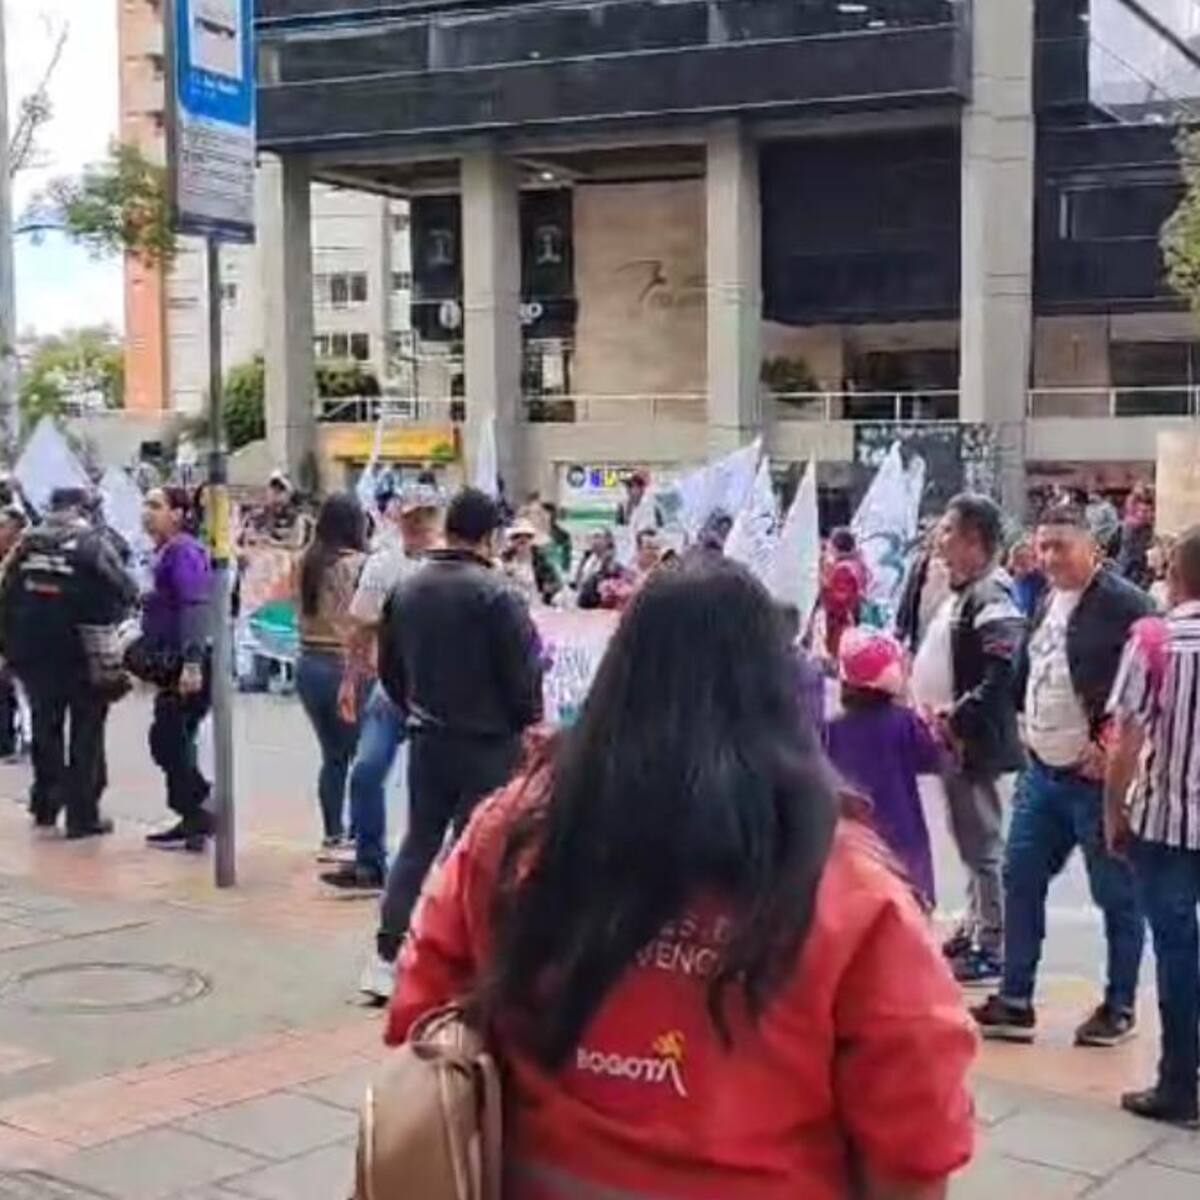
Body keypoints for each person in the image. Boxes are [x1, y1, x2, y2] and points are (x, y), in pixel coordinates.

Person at [386, 558, 977, 1197]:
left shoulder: (512, 831)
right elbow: (917, 1135)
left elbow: (418, 1017)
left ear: (618, 674)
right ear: (778, 694)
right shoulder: (849, 888)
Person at [973, 504, 1151, 1046]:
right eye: (1043, 546)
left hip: (1095, 782)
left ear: (1091, 547)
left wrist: (1113, 748)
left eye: (1061, 547)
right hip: (1042, 774)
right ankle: (1015, 998)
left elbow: (1151, 680)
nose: (1049, 557)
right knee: (1020, 876)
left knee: (1116, 894)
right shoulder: (1046, 598)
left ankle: (1119, 1005)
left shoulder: (1127, 604)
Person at [363, 488, 543, 1002]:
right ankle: (460, 957)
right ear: (490, 536)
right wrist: (528, 722)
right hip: (490, 742)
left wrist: (416, 706)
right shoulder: (499, 595)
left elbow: (390, 670)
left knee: (419, 841)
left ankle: (386, 953)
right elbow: (523, 676)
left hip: (428, 735)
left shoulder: (408, 588)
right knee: (476, 852)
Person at [1106, 526, 1200, 1127]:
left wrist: (1113, 811)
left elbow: (1125, 742)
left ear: (1177, 575)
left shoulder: (1156, 640)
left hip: (1166, 826)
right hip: (1167, 825)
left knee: (1178, 954)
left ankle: (1179, 1085)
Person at [911, 494, 1025, 985]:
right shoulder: (964, 592)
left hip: (973, 743)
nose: (940, 541)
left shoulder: (991, 595)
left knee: (983, 846)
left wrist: (957, 719)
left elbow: (1002, 673)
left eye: (948, 531)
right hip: (954, 741)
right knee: (968, 838)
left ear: (974, 540)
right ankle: (976, 925)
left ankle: (992, 945)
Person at [322, 482, 443, 895]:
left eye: (426, 517)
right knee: (366, 771)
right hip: (391, 688)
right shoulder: (382, 566)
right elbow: (360, 629)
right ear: (398, 519)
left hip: (440, 692)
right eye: (411, 517)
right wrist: (350, 680)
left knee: (430, 787)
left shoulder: (449, 566)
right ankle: (370, 862)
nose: (418, 525)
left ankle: (431, 872)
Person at [0, 488, 137, 839]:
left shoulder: (27, 544)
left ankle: (45, 803)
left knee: (45, 726)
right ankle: (82, 815)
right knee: (86, 731)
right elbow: (125, 588)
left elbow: (6, 590)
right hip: (83, 651)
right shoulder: (93, 544)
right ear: (83, 509)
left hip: (32, 650)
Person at [827, 629, 944, 909]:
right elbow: (933, 758)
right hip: (902, 836)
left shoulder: (831, 730)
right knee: (910, 905)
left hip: (854, 838)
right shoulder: (905, 722)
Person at [141, 487, 215, 852]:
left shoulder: (184, 551)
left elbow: (194, 606)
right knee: (172, 738)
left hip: (188, 662)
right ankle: (194, 813)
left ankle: (200, 807)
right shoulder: (162, 552)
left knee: (169, 737)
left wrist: (192, 662)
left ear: (178, 514)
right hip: (169, 662)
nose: (147, 512)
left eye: (156, 505)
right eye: (146, 504)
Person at [293, 493, 368, 854]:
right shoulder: (358, 566)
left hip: (308, 662)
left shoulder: (305, 562)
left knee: (333, 755)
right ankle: (357, 832)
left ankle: (332, 832)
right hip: (344, 664)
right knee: (360, 756)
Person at [0, 506, 29, 759]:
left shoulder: (25, 561)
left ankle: (26, 738)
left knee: (21, 688)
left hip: (20, 632)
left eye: (3, 526)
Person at [819, 527, 867, 659]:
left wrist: (823, 585)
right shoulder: (856, 563)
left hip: (842, 628)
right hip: (849, 624)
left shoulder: (843, 570)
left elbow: (838, 602)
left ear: (836, 547)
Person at [501, 517, 561, 607]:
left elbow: (555, 582)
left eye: (527, 536)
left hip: (536, 605)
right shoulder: (503, 559)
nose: (522, 539)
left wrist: (548, 594)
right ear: (511, 540)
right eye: (517, 536)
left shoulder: (541, 558)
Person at [1116, 483, 1154, 589]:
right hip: (1134, 532)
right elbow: (1142, 518)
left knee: (1131, 559)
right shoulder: (1135, 502)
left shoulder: (1134, 501)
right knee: (1130, 559)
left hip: (1134, 532)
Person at [1007, 537, 1046, 620]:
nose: (1029, 562)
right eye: (1022, 562)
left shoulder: (1037, 579)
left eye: (1030, 558)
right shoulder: (1008, 584)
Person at [542, 501, 572, 576]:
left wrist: (564, 572)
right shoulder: (532, 534)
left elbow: (566, 558)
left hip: (556, 572)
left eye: (549, 515)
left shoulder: (563, 535)